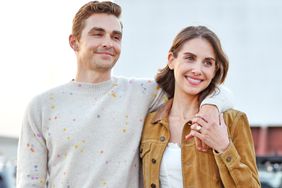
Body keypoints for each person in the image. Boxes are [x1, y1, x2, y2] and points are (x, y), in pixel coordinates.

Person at [16, 2, 233, 187]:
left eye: (115, 36)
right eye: (98, 34)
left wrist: (210, 108)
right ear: (74, 42)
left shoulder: (143, 93)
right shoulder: (43, 106)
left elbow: (211, 88)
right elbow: (30, 182)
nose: (108, 43)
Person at [140, 26, 260, 188]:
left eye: (207, 63)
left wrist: (223, 147)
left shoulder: (232, 121)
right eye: (189, 58)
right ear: (171, 60)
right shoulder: (149, 123)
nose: (197, 70)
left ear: (215, 69)